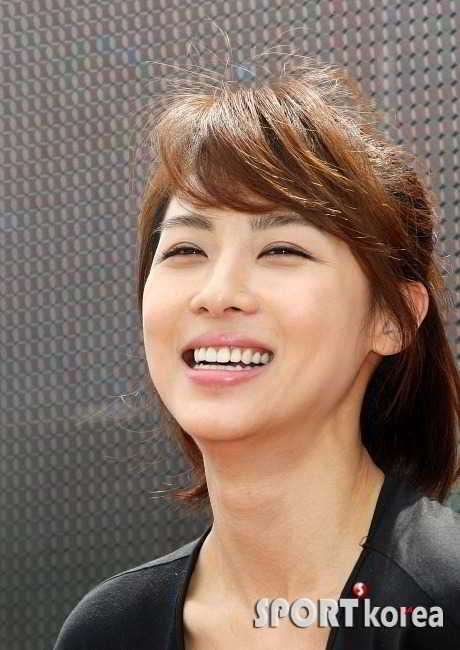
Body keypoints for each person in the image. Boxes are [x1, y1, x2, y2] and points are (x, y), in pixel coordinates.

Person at [53, 56, 460, 649]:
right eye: (186, 250)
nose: (218, 294)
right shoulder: (110, 631)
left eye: (282, 251)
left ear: (392, 318)